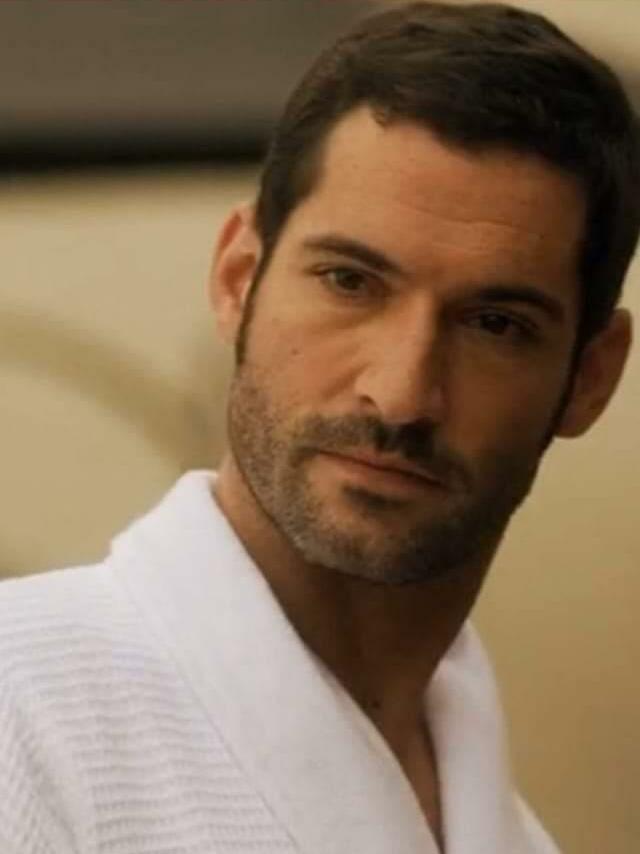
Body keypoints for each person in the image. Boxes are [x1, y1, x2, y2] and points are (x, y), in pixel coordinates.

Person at [2, 2, 639, 852]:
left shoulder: (508, 834)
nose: (401, 396)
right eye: (350, 282)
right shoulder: (23, 714)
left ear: (590, 379)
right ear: (239, 278)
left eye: (495, 324)